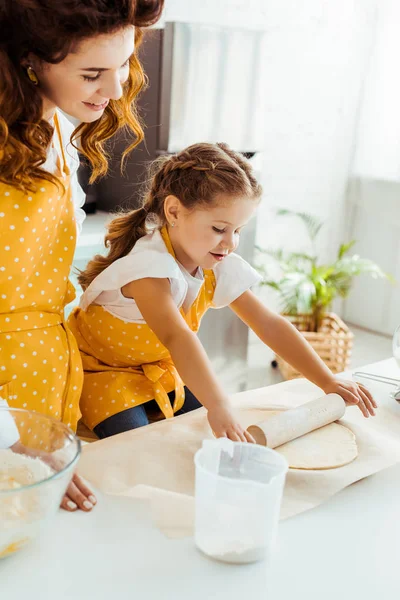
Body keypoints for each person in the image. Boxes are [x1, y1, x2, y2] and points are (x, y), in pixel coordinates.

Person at [68, 143, 377, 441]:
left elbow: (267, 323)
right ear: (174, 211)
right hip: (103, 371)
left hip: (161, 367)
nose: (229, 243)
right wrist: (219, 405)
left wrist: (326, 379)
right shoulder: (148, 270)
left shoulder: (215, 262)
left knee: (203, 433)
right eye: (219, 229)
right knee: (141, 442)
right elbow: (178, 337)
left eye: (237, 231)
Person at [0, 0, 165, 510]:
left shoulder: (52, 132)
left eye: (124, 65)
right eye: (92, 73)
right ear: (31, 61)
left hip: (45, 389)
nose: (116, 90)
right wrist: (9, 444)